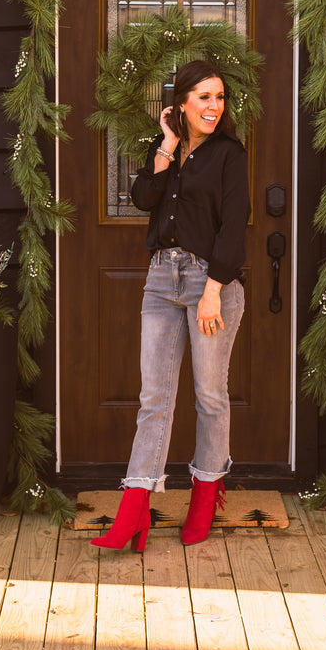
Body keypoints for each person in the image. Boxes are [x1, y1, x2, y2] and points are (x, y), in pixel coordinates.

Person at [91, 59, 250, 552]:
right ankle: (134, 510)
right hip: (161, 278)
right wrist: (165, 146)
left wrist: (211, 292)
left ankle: (204, 499)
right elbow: (143, 198)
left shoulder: (228, 154)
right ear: (180, 103)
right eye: (203, 97)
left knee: (209, 396)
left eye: (219, 97)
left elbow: (234, 225)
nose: (213, 106)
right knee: (154, 399)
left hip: (211, 283)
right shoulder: (169, 151)